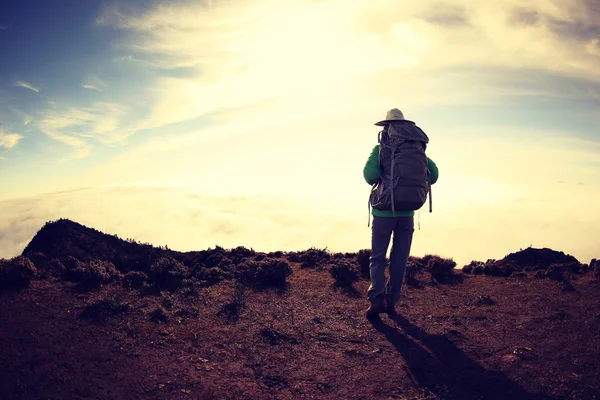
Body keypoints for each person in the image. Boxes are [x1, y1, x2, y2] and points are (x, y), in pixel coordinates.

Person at [363, 108, 439, 317]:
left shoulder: (380, 150)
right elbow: (434, 175)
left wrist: (386, 178)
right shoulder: (418, 151)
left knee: (378, 257)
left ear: (386, 127)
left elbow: (369, 176)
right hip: (407, 213)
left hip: (383, 212)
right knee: (400, 258)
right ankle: (391, 300)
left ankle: (377, 299)